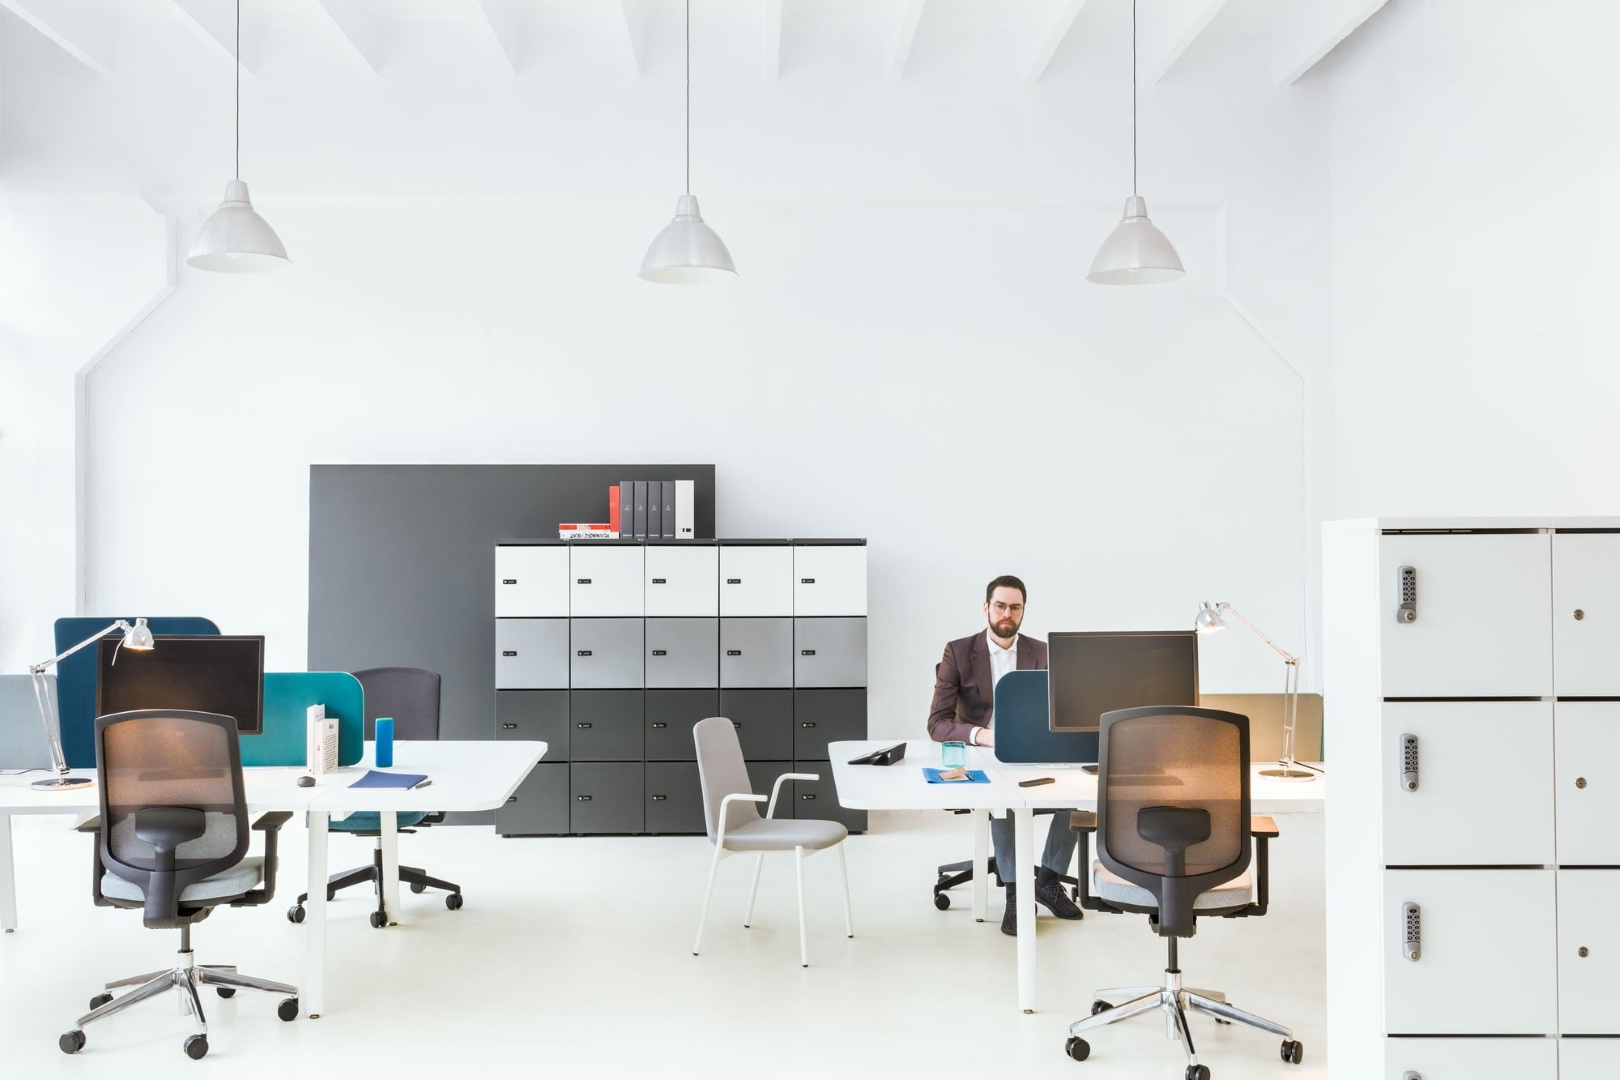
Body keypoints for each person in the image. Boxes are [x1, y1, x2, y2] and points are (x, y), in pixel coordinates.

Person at [927, 574, 1082, 935]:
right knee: (1004, 802)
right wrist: (982, 736)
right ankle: (1015, 894)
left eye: (1015, 607)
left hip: (1032, 750)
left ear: (1023, 610)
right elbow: (936, 723)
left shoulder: (1042, 652)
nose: (1007, 614)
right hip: (983, 753)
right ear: (986, 607)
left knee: (1076, 799)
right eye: (1000, 605)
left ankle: (1048, 881)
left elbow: (1062, 713)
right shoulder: (958, 651)